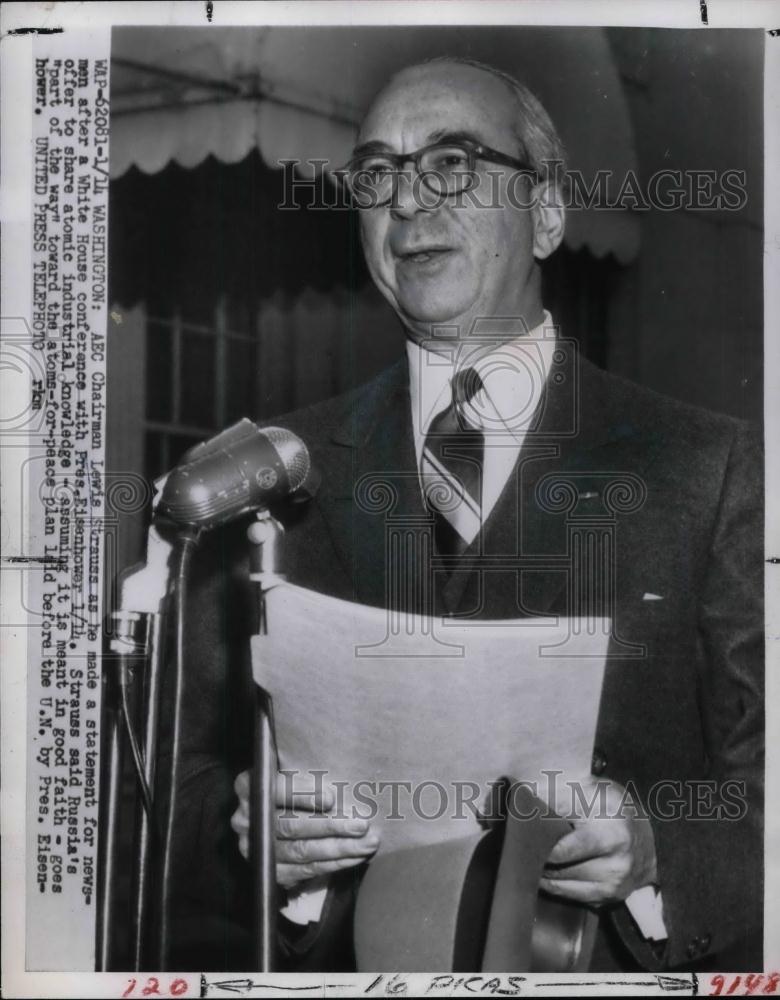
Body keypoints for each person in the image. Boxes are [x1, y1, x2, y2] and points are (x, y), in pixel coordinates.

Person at [172, 57, 763, 972]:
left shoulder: (710, 467)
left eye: (451, 163)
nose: (407, 202)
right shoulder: (269, 474)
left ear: (549, 214)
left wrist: (658, 851)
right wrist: (253, 838)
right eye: (377, 174)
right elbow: (166, 791)